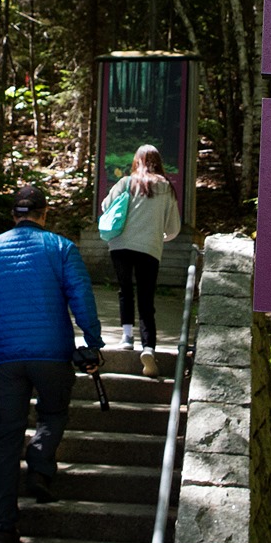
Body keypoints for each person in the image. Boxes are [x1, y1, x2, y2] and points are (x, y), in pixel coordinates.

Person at [0, 183, 104, 543]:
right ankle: (39, 463)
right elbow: (81, 297)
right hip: (53, 353)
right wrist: (93, 342)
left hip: (5, 356)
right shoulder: (60, 247)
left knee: (6, 440)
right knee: (53, 414)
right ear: (44, 213)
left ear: (13, 215)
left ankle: (5, 525)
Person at [99, 144, 184, 374]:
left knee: (125, 290)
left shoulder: (126, 182)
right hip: (149, 249)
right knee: (146, 299)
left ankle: (127, 337)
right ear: (158, 162)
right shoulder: (166, 187)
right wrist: (160, 237)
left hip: (120, 246)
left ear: (137, 161)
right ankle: (148, 347)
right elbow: (174, 226)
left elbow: (106, 206)